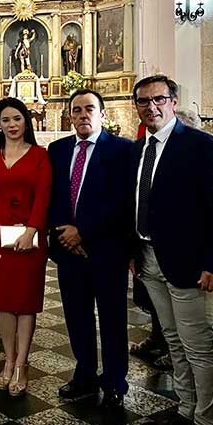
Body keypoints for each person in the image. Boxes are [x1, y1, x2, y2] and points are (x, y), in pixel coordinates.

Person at [130, 74, 213, 425]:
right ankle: (186, 408)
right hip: (149, 258)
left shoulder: (199, 145)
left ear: (173, 102)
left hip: (192, 265)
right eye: (144, 101)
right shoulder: (139, 149)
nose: (152, 107)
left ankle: (208, 421)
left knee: (198, 347)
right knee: (174, 341)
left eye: (158, 99)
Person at [47, 89, 132, 408]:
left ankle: (114, 382)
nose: (83, 115)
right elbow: (54, 197)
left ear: (102, 114)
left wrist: (84, 232)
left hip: (107, 250)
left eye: (90, 109)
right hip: (69, 252)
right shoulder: (56, 149)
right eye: (77, 110)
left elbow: (123, 202)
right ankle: (83, 374)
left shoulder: (123, 150)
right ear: (70, 115)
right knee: (77, 317)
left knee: (112, 318)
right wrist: (64, 236)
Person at [0, 97, 51, 396]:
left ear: (26, 121)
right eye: (5, 120)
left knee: (25, 302)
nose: (12, 125)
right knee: (2, 301)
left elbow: (43, 197)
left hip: (29, 238)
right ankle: (9, 358)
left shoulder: (40, 155)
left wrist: (31, 231)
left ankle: (23, 363)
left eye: (17, 119)